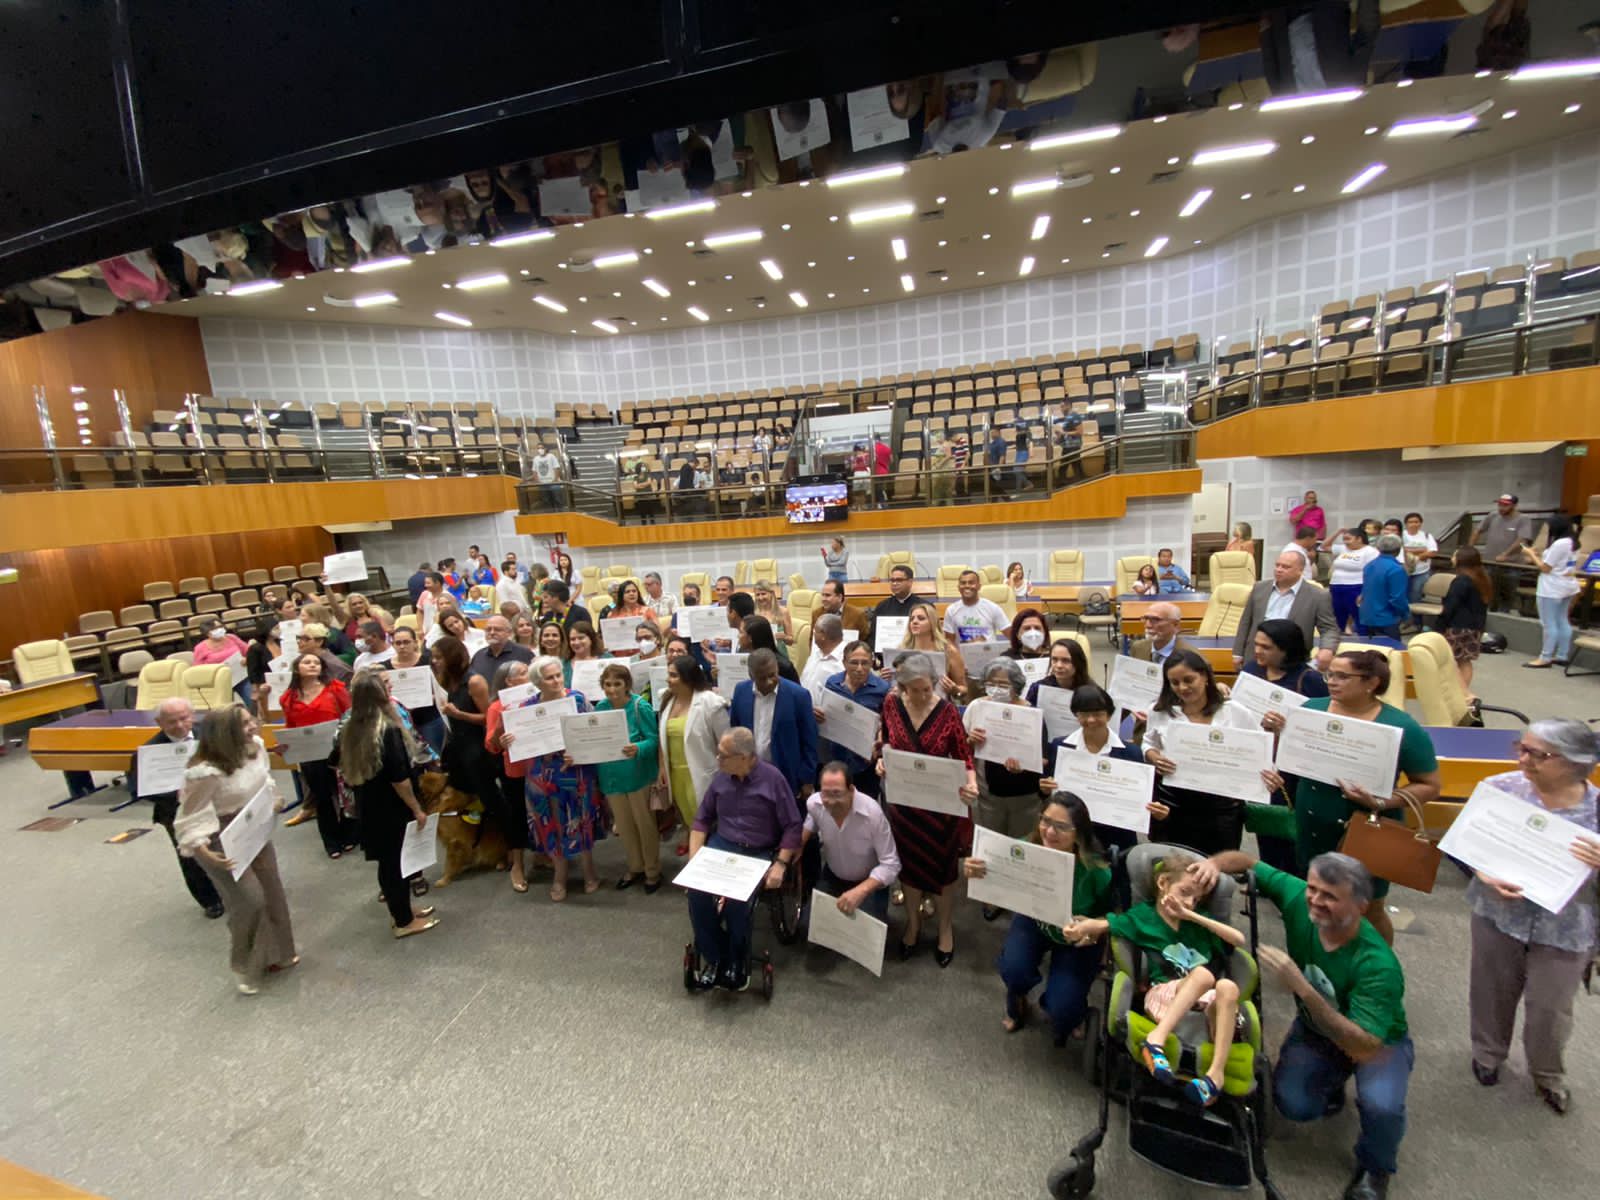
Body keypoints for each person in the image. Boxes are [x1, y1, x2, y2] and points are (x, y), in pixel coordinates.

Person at [1189, 850, 1411, 1200]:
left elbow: (1364, 1044)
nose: (1316, 901)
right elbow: (1246, 862)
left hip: (1377, 1045)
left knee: (1381, 1106)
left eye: (1330, 897)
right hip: (1317, 1032)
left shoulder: (1378, 966)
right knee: (1294, 1104)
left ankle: (1376, 1168)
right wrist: (1213, 864)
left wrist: (1301, 988)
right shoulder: (1298, 896)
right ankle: (1332, 1083)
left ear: (1360, 907)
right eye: (1313, 889)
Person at [1465, 719, 1600, 1115]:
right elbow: (1467, 845)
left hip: (1567, 928)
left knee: (1550, 1010)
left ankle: (1547, 1074)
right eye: (1520, 748)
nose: (1523, 759)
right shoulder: (1500, 789)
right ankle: (1487, 1055)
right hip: (1497, 914)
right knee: (1490, 989)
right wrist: (1482, 872)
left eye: (1537, 754)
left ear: (1576, 762)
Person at [1064, 848, 1246, 1108]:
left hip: (1204, 1007)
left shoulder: (1200, 923)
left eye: (1197, 900)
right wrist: (1079, 928)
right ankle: (1156, 1038)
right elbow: (1104, 925)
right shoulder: (1144, 917)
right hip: (1163, 996)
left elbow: (1239, 940)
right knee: (1205, 975)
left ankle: (1214, 1075)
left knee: (1227, 986)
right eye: (1185, 893)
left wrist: (1192, 917)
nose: (1190, 903)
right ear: (1163, 883)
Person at [1287, 649, 1441, 944]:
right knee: (1317, 901)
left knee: (1367, 908)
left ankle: (1377, 968)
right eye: (1329, 674)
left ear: (1371, 682)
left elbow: (1430, 785)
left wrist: (1382, 801)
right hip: (1313, 823)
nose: (1331, 681)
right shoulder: (1310, 709)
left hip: (1366, 829)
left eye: (1342, 676)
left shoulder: (1400, 725)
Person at [966, 792, 1112, 1039]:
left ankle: (1065, 1008)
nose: (1050, 832)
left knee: (1063, 1010)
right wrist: (977, 871)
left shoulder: (1097, 870)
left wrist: (1094, 930)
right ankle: (1018, 999)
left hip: (1077, 937)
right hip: (1036, 921)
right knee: (1014, 969)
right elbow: (995, 884)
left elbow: (1113, 915)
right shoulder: (1028, 846)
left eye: (1062, 826)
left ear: (1079, 831)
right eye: (1045, 821)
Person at [174, 706, 297, 995]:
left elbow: (263, 778)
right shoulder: (205, 772)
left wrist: (273, 798)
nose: (253, 727)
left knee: (272, 891)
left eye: (251, 720)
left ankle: (278, 953)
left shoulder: (255, 747)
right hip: (219, 836)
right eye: (245, 724)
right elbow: (190, 816)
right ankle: (245, 965)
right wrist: (202, 850)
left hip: (253, 825)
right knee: (249, 902)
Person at [876, 652, 979, 967]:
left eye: (927, 689)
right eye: (914, 690)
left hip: (939, 807)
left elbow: (964, 757)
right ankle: (914, 923)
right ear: (902, 687)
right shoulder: (891, 705)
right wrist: (882, 758)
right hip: (904, 805)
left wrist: (971, 783)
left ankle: (945, 928)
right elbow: (887, 740)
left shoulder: (947, 711)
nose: (922, 696)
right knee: (909, 866)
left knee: (944, 869)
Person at [684, 728, 803, 991]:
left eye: (723, 755)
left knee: (739, 903)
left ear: (745, 757)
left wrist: (781, 864)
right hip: (722, 845)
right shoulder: (720, 779)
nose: (718, 759)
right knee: (697, 893)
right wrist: (695, 859)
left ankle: (737, 961)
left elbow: (793, 826)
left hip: (757, 850)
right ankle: (715, 959)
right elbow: (702, 819)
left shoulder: (773, 780)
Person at [1141, 649, 1276, 855]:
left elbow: (1259, 753)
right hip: (1173, 803)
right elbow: (1148, 741)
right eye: (1174, 683)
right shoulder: (1160, 711)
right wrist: (1154, 757)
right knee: (1174, 867)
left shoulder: (1235, 712)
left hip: (1222, 807)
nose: (1182, 688)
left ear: (1204, 676)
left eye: (1188, 680)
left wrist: (1269, 775)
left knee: (1218, 869)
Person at [334, 674, 439, 939]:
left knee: (388, 862)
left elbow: (334, 760)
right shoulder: (388, 730)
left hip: (369, 803)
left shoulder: (351, 726)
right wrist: (416, 808)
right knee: (395, 864)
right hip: (392, 807)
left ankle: (403, 909)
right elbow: (399, 779)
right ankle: (403, 921)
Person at [1038, 684, 1167, 857]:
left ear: (1109, 715)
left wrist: (1155, 811)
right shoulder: (1059, 747)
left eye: (1098, 714)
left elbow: (1144, 798)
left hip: (1116, 837)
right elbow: (1048, 794)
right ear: (1076, 714)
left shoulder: (1131, 752)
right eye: (1084, 714)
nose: (1091, 720)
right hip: (1072, 836)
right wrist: (1045, 789)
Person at [127, 697, 223, 918]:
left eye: (184, 718)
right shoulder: (148, 751)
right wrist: (175, 793)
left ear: (192, 716)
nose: (179, 726)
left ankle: (233, 889)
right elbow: (137, 789)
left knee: (224, 845)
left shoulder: (210, 734)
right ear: (159, 722)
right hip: (176, 810)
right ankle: (209, 900)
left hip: (215, 802)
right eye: (171, 722)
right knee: (190, 856)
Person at [521, 655, 602, 901]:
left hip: (575, 770)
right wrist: (511, 740)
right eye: (549, 677)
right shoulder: (527, 707)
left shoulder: (577, 699)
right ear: (538, 682)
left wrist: (580, 753)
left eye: (558, 675)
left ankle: (589, 871)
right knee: (551, 822)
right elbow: (524, 740)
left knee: (582, 819)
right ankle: (560, 874)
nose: (556, 680)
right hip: (542, 773)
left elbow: (593, 733)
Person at [593, 662, 663, 892]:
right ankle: (635, 867)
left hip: (638, 776)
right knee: (624, 826)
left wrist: (638, 747)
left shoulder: (639, 706)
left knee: (645, 825)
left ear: (627, 685)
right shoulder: (601, 708)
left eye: (617, 684)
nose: (612, 689)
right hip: (612, 777)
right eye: (607, 684)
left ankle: (652, 870)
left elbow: (654, 740)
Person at [280, 651, 356, 857]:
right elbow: (290, 726)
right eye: (307, 662)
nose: (313, 665)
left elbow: (349, 716)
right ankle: (332, 841)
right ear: (297, 668)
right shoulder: (288, 698)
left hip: (338, 750)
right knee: (322, 798)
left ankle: (350, 834)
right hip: (309, 754)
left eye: (316, 663)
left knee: (344, 794)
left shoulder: (335, 689)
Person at [803, 761, 899, 922]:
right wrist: (798, 844)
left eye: (837, 793)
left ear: (851, 790)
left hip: (868, 881)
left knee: (865, 939)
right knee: (809, 926)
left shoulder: (872, 814)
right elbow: (811, 820)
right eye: (825, 793)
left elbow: (891, 864)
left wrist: (861, 891)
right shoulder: (815, 804)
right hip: (833, 876)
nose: (831, 801)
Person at [657, 654, 731, 857]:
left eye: (673, 675)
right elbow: (662, 740)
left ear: (688, 678)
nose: (668, 679)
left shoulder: (710, 702)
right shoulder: (667, 699)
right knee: (691, 822)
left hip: (703, 774)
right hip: (676, 776)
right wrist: (662, 768)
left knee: (708, 825)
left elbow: (725, 742)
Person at [730, 648, 818, 798]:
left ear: (777, 668)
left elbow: (809, 740)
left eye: (772, 675)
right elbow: (735, 730)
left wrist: (807, 779)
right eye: (762, 678)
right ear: (751, 675)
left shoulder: (799, 695)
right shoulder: (740, 691)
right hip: (749, 774)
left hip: (786, 776)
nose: (769, 681)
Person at [1231, 550, 1339, 671]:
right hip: (1255, 657)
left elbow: (1329, 628)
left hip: (1291, 661)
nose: (1279, 569)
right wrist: (1238, 653)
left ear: (1300, 570)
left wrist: (1327, 649)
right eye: (1277, 565)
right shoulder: (1259, 588)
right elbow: (1246, 622)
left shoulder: (1318, 595)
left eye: (1286, 567)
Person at [482, 660, 536, 893]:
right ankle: (518, 864)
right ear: (509, 681)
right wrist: (500, 734)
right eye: (524, 673)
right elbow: (491, 746)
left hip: (540, 765)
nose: (529, 675)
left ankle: (544, 854)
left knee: (541, 810)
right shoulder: (496, 708)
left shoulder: (538, 699)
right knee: (517, 815)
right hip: (515, 768)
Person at [818, 641, 888, 798]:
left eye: (865, 663)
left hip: (865, 763)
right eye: (854, 662)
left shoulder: (882, 689)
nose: (859, 668)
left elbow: (887, 723)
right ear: (843, 662)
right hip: (836, 758)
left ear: (872, 663)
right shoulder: (832, 683)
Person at [1523, 514, 1579, 668]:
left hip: (1552, 588)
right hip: (1568, 585)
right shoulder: (1572, 541)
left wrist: (1531, 554)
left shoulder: (1559, 543)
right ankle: (1562, 654)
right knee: (1562, 620)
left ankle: (1545, 657)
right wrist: (1540, 554)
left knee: (1549, 623)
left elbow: (1545, 568)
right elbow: (1557, 561)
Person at [1436, 546, 1491, 696]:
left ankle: (1462, 691)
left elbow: (1450, 606)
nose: (1452, 559)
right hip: (1475, 627)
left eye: (1455, 556)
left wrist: (1439, 626)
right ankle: (1463, 690)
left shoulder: (1461, 581)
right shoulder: (1481, 579)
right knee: (1465, 661)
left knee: (1450, 660)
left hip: (1457, 627)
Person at [1470, 492, 1535, 612]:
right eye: (1500, 505)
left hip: (1511, 564)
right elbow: (1478, 530)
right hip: (1490, 562)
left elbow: (1522, 540)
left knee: (1507, 594)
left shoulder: (1523, 519)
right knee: (1487, 591)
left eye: (1505, 505)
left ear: (1514, 506)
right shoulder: (1493, 516)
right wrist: (1470, 547)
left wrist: (1506, 554)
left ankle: (1503, 615)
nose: (1501, 508)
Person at [898, 602, 966, 698]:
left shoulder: (949, 651)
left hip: (939, 705)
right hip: (907, 704)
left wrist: (955, 690)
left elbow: (963, 690)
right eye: (912, 619)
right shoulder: (901, 649)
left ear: (932, 623)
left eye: (921, 618)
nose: (914, 621)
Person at [1357, 535, 1410, 638]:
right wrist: (1405, 614)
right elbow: (1397, 598)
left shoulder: (1370, 565)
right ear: (1399, 550)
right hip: (1386, 618)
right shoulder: (1396, 569)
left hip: (1367, 615)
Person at [192, 616, 253, 704]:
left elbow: (249, 652)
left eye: (221, 627)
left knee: (253, 700)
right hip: (218, 682)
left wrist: (246, 659)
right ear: (207, 633)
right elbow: (198, 670)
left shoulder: (232, 637)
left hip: (240, 677)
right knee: (226, 708)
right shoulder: (200, 648)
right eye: (215, 628)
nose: (220, 630)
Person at [1328, 528, 1378, 634]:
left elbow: (1373, 573)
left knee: (1359, 615)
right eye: (1344, 539)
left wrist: (1365, 592)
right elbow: (1323, 547)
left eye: (1348, 539)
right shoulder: (1343, 549)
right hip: (1336, 586)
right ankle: (1339, 639)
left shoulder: (1370, 551)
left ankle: (1365, 641)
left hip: (1356, 587)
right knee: (1338, 615)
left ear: (1359, 539)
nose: (1345, 542)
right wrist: (1337, 532)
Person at [942, 569, 1008, 643]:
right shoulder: (951, 610)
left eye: (971, 583)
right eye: (963, 583)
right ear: (958, 587)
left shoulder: (993, 608)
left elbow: (1010, 634)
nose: (967, 586)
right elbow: (949, 642)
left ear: (979, 586)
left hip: (989, 653)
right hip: (962, 654)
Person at [468, 614, 533, 684]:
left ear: (509, 633)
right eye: (488, 629)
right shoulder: (478, 656)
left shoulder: (524, 654)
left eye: (497, 629)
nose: (492, 633)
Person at [1024, 635, 1087, 707]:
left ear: (1078, 662)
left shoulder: (1090, 692)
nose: (1059, 665)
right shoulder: (1037, 688)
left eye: (1066, 660)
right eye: (1054, 659)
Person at [801, 613, 850, 705]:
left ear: (823, 635)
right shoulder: (816, 653)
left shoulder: (845, 660)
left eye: (815, 630)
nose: (813, 632)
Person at [1129, 601, 1193, 668]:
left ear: (1175, 624)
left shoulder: (1190, 657)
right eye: (1145, 619)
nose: (1148, 625)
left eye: (1156, 620)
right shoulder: (1137, 647)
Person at [740, 616, 797, 681]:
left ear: (750, 638)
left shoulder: (783, 667)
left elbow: (795, 690)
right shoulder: (742, 654)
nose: (738, 636)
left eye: (741, 632)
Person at [1399, 513, 1436, 605]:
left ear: (1420, 523)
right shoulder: (1401, 536)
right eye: (1410, 522)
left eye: (1416, 522)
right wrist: (1422, 550)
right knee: (1401, 594)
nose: (1413, 524)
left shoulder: (1427, 536)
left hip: (1421, 572)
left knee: (1416, 596)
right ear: (1406, 524)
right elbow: (1399, 550)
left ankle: (1416, 619)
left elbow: (1432, 552)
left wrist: (1415, 557)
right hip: (1403, 571)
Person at [752, 580, 793, 644]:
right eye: (757, 595)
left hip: (778, 651)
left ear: (771, 594)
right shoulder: (753, 613)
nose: (760, 598)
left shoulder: (783, 611)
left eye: (763, 594)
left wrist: (784, 637)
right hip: (759, 651)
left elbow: (791, 641)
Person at [531, 443, 564, 509]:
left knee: (557, 500)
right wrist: (537, 482)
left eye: (542, 448)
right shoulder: (535, 459)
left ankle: (560, 513)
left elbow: (556, 468)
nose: (540, 450)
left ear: (545, 449)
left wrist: (555, 480)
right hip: (542, 484)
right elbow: (534, 471)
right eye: (538, 448)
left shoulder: (551, 456)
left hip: (553, 483)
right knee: (546, 501)